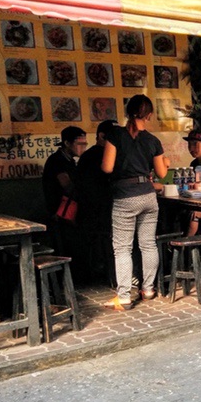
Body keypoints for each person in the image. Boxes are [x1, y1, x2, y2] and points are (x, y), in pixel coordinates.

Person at [101, 95, 168, 310]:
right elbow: (161, 173)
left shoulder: (115, 135)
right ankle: (148, 289)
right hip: (148, 196)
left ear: (128, 112)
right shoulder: (153, 141)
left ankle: (124, 297)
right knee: (148, 244)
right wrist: (165, 162)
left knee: (122, 248)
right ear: (149, 115)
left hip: (125, 197)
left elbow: (107, 168)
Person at [76, 119, 118, 285]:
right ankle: (113, 277)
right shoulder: (99, 155)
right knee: (108, 242)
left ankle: (105, 275)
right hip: (100, 208)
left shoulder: (87, 155)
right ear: (101, 136)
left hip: (92, 210)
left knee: (101, 243)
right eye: (113, 137)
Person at [42, 126, 86, 260]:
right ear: (67, 143)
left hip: (68, 212)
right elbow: (67, 186)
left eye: (85, 144)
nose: (83, 147)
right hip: (60, 213)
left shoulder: (70, 161)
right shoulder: (56, 161)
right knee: (64, 250)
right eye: (79, 144)